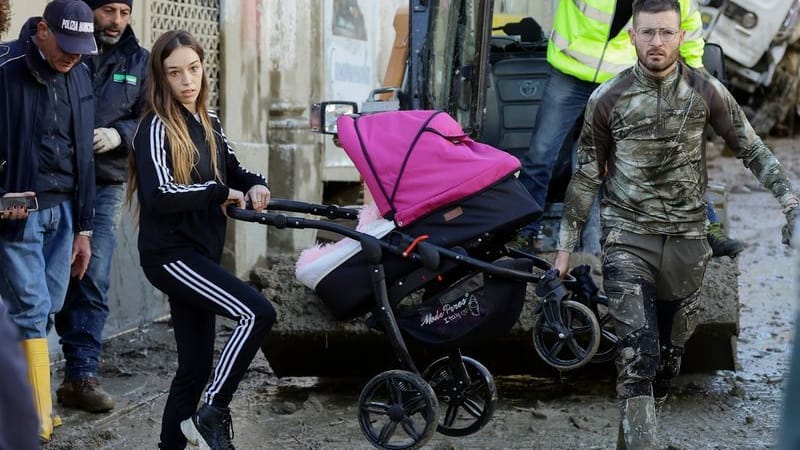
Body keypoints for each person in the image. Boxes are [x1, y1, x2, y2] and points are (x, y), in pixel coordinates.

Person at [551, 0, 799, 447]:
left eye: (666, 33)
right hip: (628, 239)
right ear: (633, 37)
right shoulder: (607, 98)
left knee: (665, 362)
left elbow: (753, 149)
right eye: (648, 34)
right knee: (638, 356)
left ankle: (634, 433)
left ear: (681, 36)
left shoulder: (706, 92)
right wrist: (565, 249)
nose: (657, 43)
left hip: (688, 241)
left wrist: (789, 201)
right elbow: (586, 176)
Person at [128, 30, 276, 450]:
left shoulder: (209, 122)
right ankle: (211, 413)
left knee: (193, 366)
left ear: (202, 69)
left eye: (193, 69)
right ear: (162, 77)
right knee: (256, 313)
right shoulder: (154, 129)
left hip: (200, 253)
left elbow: (233, 169)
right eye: (175, 73)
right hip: (170, 255)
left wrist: (256, 184)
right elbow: (158, 195)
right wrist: (218, 192)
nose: (187, 80)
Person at [516, 0, 745, 258]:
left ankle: (707, 228)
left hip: (623, 78)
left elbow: (688, 22)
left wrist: (697, 69)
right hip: (570, 69)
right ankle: (522, 235)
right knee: (540, 154)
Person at [0, 0, 98, 441]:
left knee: (47, 309)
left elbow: (83, 155)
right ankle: (37, 415)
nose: (73, 55)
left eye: (81, 48)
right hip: (18, 213)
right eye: (66, 45)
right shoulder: (6, 65)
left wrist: (84, 227)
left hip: (66, 212)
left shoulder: (79, 72)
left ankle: (29, 405)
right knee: (30, 308)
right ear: (42, 30)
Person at [54, 0, 149, 414]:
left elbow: (149, 115)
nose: (116, 22)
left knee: (91, 276)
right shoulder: (65, 47)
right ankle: (29, 374)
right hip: (54, 180)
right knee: (45, 272)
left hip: (107, 180)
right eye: (108, 10)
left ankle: (81, 375)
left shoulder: (140, 60)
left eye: (125, 13)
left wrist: (119, 133)